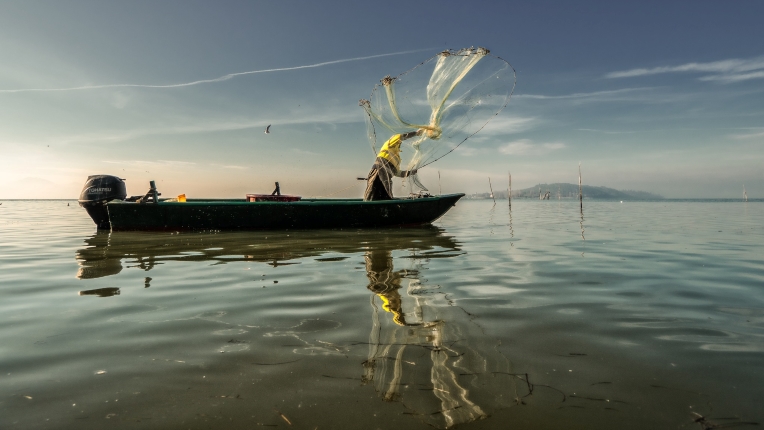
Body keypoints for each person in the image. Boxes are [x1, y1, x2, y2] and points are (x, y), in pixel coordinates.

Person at [363, 130, 422, 201]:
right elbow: (401, 137)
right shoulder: (389, 144)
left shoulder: (397, 158)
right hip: (378, 173)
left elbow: (398, 173)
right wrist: (416, 133)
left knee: (386, 198)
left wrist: (410, 172)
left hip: (387, 179)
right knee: (371, 196)